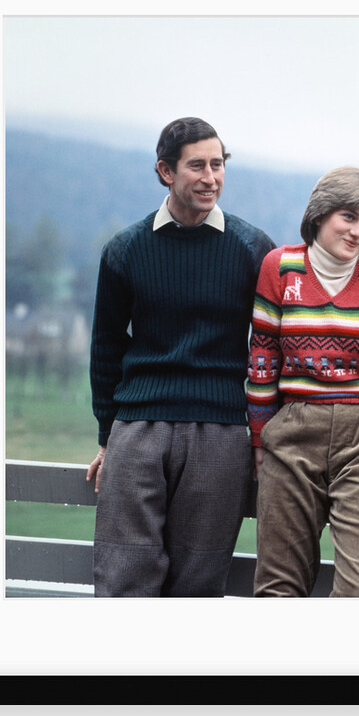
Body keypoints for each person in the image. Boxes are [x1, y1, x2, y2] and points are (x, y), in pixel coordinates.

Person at [87, 117, 275, 597]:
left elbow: (271, 348)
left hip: (221, 434)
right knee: (122, 579)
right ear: (166, 172)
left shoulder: (253, 249)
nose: (210, 177)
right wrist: (109, 437)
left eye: (218, 164)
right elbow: (107, 346)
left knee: (196, 586)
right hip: (138, 430)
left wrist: (260, 434)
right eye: (197, 166)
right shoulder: (125, 250)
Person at [246, 166, 359, 597]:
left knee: (358, 592)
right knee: (277, 589)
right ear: (321, 213)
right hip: (291, 437)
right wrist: (259, 442)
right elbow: (262, 362)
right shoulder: (280, 267)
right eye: (349, 216)